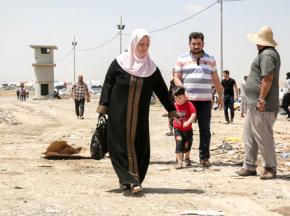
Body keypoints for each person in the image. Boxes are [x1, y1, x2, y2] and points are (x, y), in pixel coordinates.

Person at [96, 29, 175, 194]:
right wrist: (103, 108)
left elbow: (162, 90)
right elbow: (108, 85)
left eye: (147, 44)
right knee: (119, 146)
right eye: (141, 44)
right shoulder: (118, 63)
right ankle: (130, 180)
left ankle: (130, 179)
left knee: (139, 146)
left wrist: (172, 110)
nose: (144, 47)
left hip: (140, 117)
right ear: (133, 44)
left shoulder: (151, 68)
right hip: (118, 115)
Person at [237, 26, 280, 180]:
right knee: (249, 135)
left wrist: (261, 99)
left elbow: (267, 78)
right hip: (254, 104)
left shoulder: (267, 54)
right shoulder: (265, 54)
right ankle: (249, 165)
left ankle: (270, 167)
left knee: (263, 136)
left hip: (263, 105)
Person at [174, 32, 223, 167]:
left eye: (199, 43)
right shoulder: (181, 58)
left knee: (205, 130)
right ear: (189, 44)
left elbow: (216, 78)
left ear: (203, 44)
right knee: (184, 130)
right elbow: (176, 77)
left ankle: (204, 157)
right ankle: (183, 157)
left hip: (205, 101)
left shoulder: (211, 59)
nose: (196, 46)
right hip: (187, 102)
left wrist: (220, 95)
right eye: (193, 43)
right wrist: (183, 91)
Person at [172, 86, 196, 169]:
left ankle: (187, 158)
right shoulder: (174, 105)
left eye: (180, 98)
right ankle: (179, 161)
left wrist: (188, 122)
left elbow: (193, 114)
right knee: (179, 142)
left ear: (185, 97)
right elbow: (171, 115)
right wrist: (175, 120)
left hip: (188, 129)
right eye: (176, 98)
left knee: (187, 143)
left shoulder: (189, 104)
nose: (178, 100)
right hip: (178, 129)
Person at [165, 68, 177, 136]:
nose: (173, 73)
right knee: (170, 116)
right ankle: (171, 130)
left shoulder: (181, 81)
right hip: (172, 102)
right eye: (172, 72)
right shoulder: (172, 82)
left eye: (174, 72)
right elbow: (170, 93)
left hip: (179, 103)